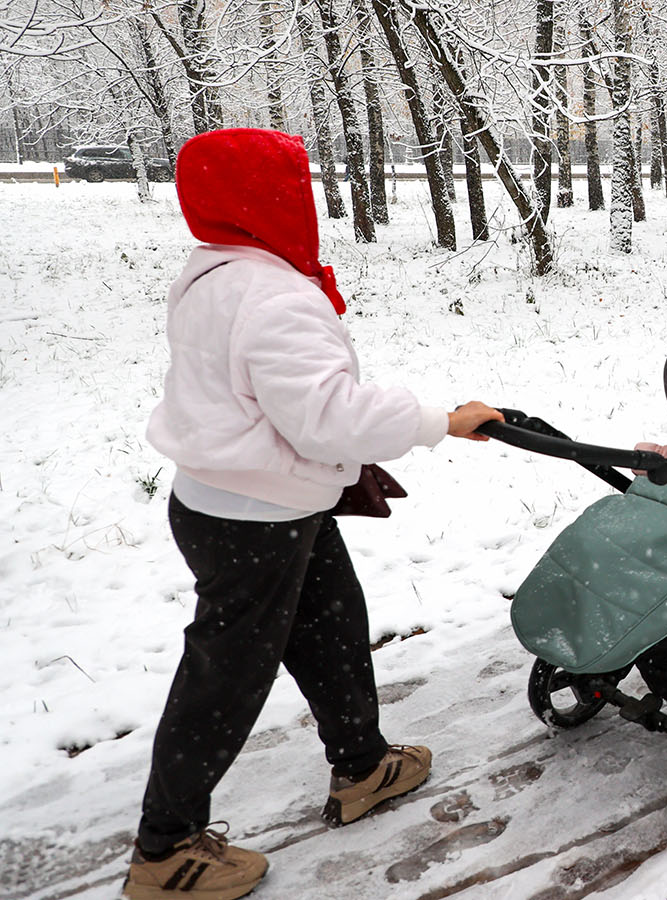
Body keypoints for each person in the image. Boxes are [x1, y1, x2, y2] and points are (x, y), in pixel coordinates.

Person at [124, 128, 504, 900]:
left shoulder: (216, 272)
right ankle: (165, 850)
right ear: (267, 200)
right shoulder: (270, 297)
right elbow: (328, 419)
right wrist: (442, 421)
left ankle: (362, 764)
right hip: (252, 514)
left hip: (243, 499)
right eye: (295, 187)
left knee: (330, 620)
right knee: (224, 675)